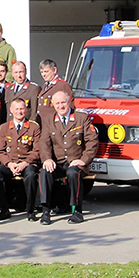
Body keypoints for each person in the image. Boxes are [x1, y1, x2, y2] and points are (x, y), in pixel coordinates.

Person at [39, 91, 98, 225]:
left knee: (73, 173)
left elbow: (92, 141)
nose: (61, 106)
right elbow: (44, 143)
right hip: (59, 162)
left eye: (63, 102)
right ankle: (46, 211)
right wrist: (47, 159)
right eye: (57, 103)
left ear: (69, 101)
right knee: (44, 172)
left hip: (76, 161)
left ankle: (77, 211)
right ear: (53, 105)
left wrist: (84, 160)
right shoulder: (49, 119)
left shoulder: (81, 117)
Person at [0, 98, 42, 221]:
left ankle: (30, 210)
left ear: (25, 109)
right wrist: (9, 164)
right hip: (10, 162)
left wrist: (25, 163)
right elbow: (1, 151)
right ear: (11, 110)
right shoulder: (4, 127)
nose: (19, 112)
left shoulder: (33, 127)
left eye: (21, 109)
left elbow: (37, 150)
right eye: (17, 109)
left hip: (28, 162)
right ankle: (4, 209)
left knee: (31, 176)